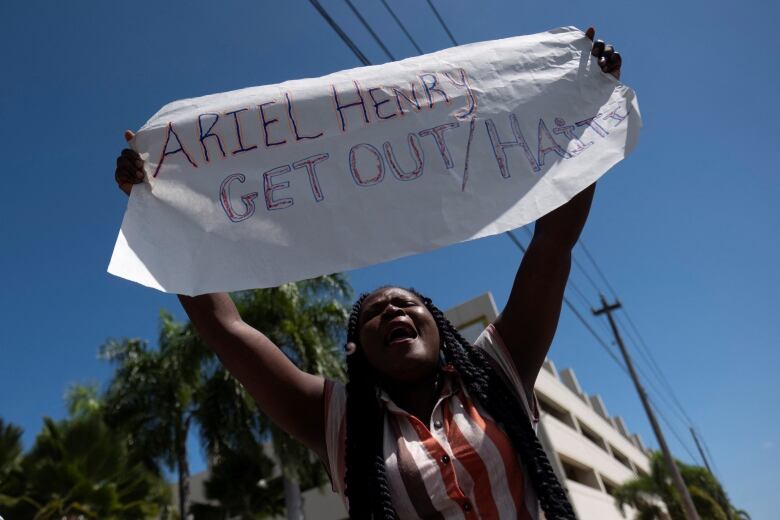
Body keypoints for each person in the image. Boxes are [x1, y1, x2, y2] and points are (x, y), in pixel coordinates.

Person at [114, 28, 622, 520]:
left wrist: (580, 102)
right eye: (374, 313)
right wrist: (161, 209)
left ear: (439, 326)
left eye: (406, 304)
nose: (394, 310)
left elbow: (552, 247)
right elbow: (228, 329)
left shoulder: (497, 372)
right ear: (356, 350)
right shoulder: (334, 421)